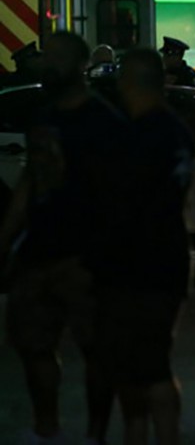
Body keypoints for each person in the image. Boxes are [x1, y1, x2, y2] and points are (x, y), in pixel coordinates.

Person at [0, 31, 125, 445]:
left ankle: (96, 433)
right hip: (39, 253)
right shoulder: (43, 115)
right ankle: (46, 427)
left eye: (53, 57)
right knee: (32, 345)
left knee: (97, 351)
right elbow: (30, 181)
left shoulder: (103, 121)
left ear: (78, 65)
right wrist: (6, 238)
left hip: (87, 257)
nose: (44, 64)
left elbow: (121, 193)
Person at [92, 49, 194, 445]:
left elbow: (121, 203)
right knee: (142, 365)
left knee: (147, 367)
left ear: (132, 82)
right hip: (166, 257)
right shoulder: (175, 130)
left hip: (139, 262)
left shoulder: (140, 134)